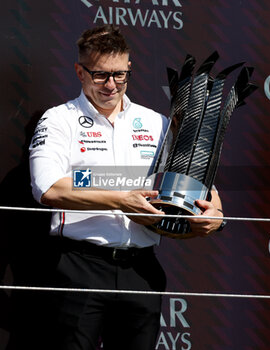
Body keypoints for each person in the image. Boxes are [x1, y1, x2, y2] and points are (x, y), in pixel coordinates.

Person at [29, 24, 224, 350]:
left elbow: (197, 182)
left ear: (130, 69)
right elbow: (48, 187)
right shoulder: (58, 119)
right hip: (80, 267)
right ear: (80, 71)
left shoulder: (156, 122)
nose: (110, 85)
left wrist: (215, 214)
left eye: (120, 75)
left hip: (141, 270)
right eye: (100, 75)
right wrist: (121, 198)